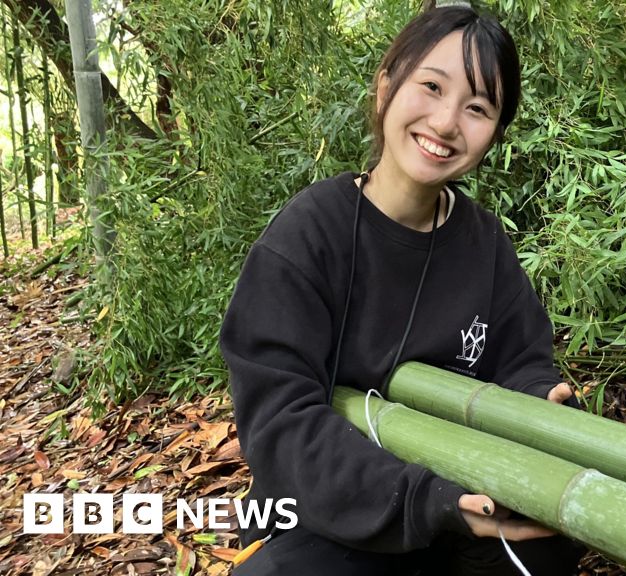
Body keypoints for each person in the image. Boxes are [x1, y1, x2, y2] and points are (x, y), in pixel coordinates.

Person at [219, 2, 585, 574]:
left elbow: (522, 359)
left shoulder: (484, 242)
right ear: (386, 84)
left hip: (460, 497)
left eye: (477, 108)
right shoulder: (307, 236)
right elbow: (280, 423)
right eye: (431, 87)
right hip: (334, 506)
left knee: (549, 548)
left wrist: (541, 398)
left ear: (495, 133)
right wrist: (421, 499)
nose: (445, 123)